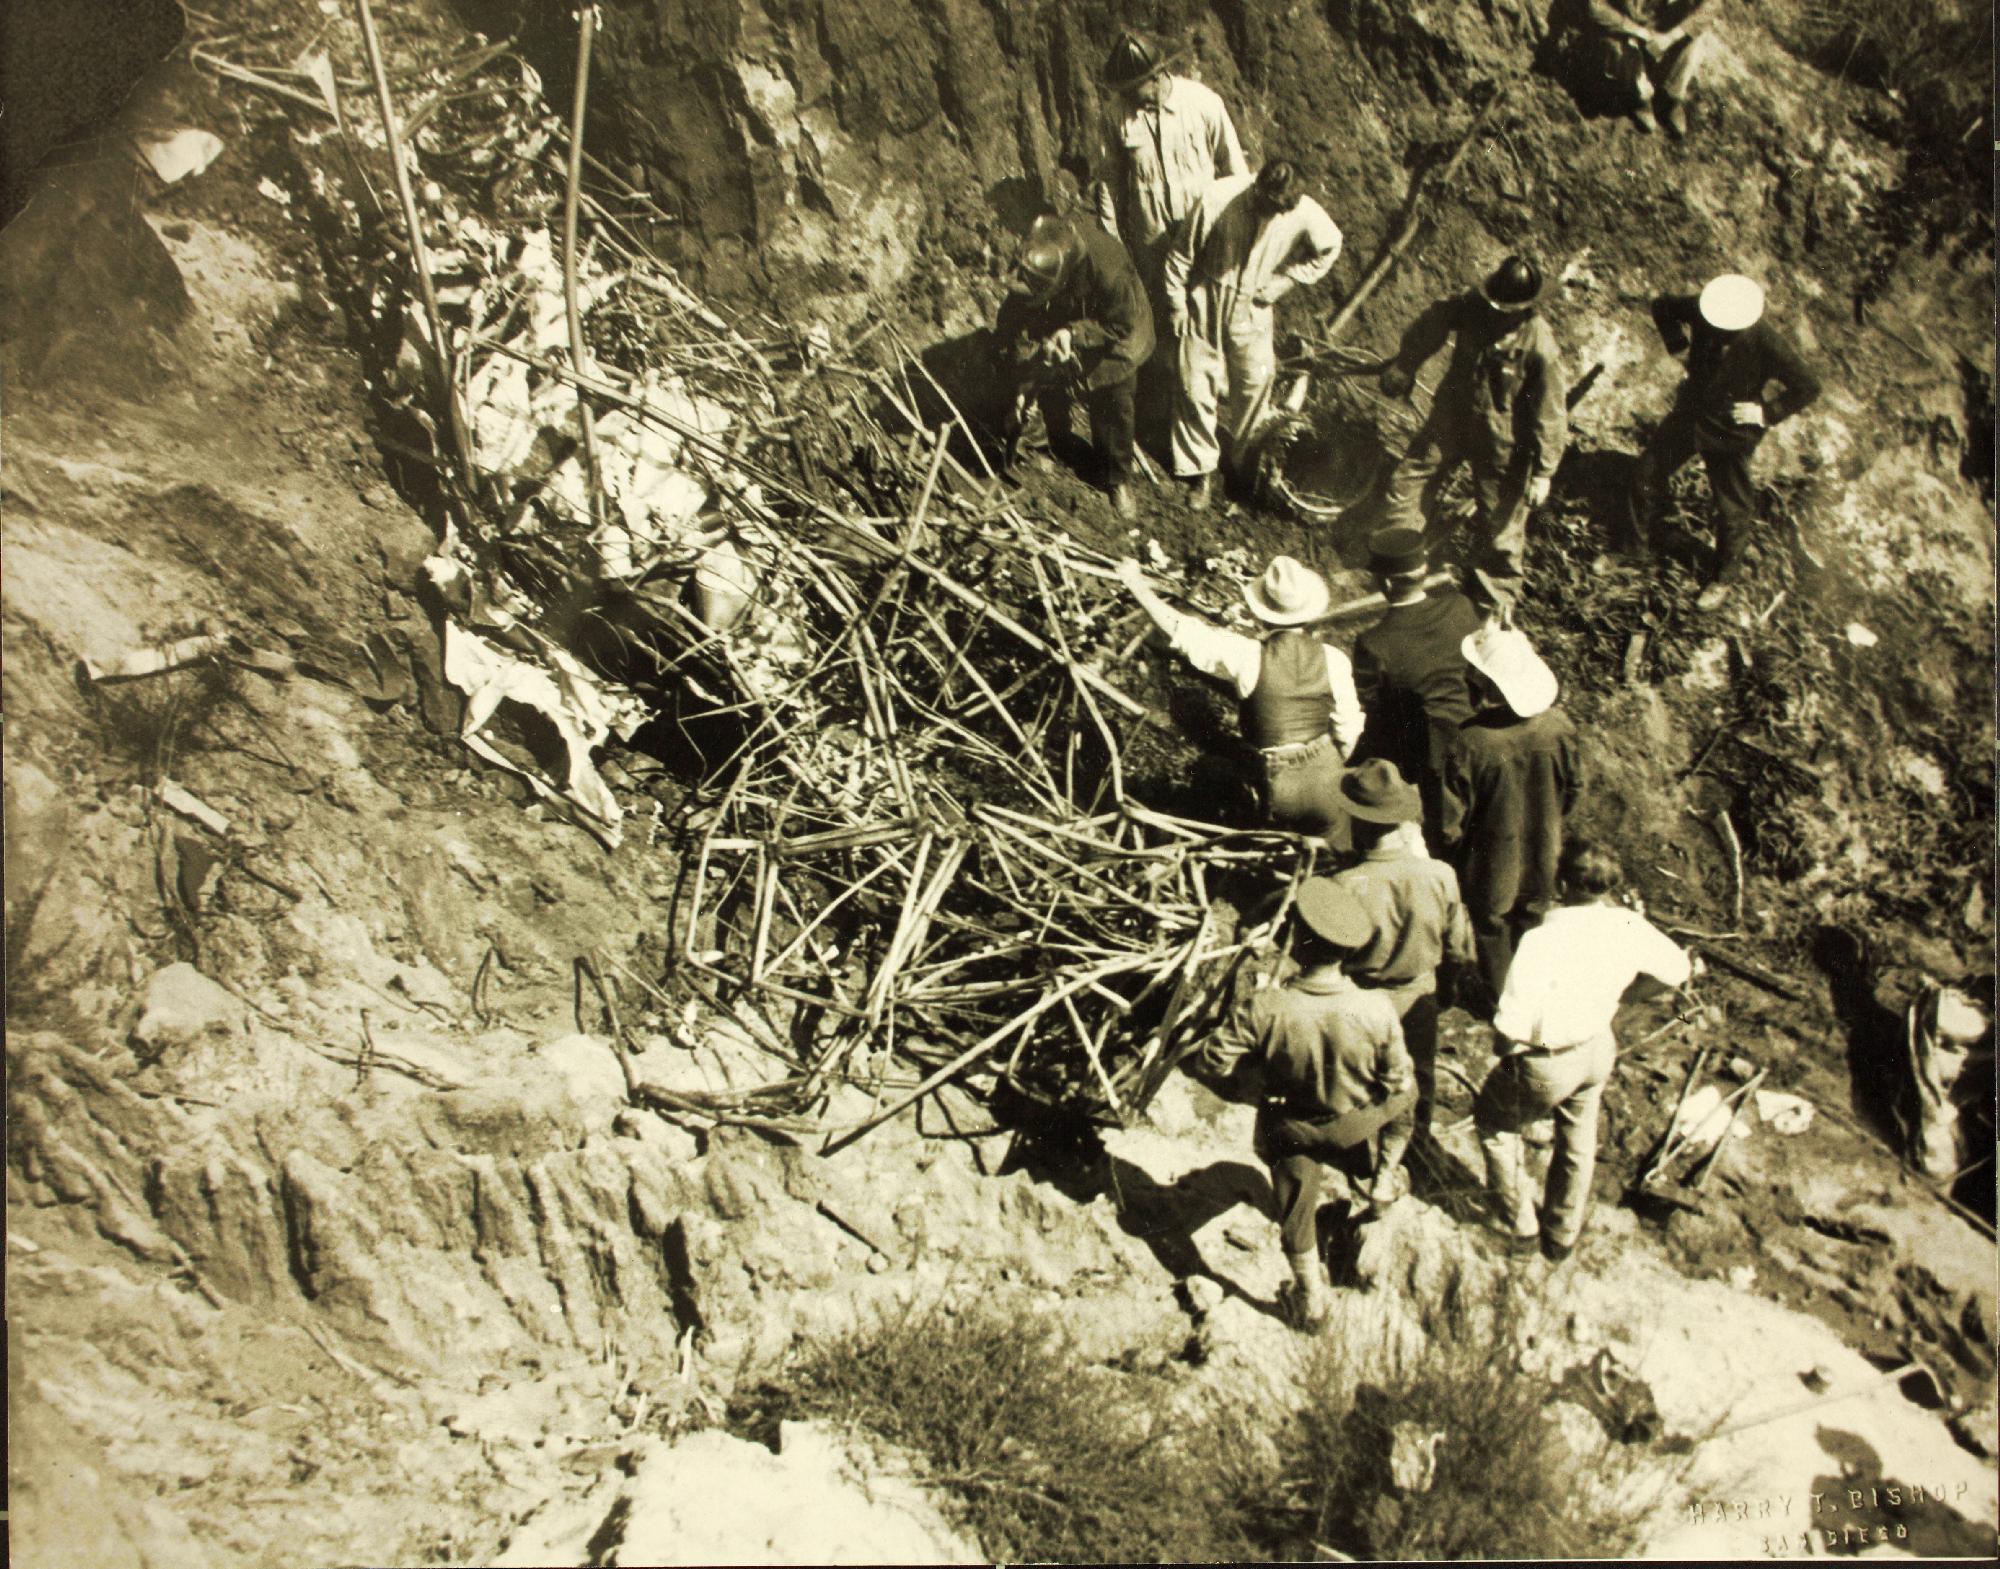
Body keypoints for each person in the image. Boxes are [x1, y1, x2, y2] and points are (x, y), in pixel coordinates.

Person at [1197, 877, 1415, 1329]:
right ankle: (1382, 1180)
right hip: (1354, 1124)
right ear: (1347, 952)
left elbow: (1213, 1063)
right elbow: (1396, 1081)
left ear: (1297, 939)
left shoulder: (1266, 1007)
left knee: (1297, 1202)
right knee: (1406, 1093)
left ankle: (1310, 1299)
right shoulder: (1376, 1008)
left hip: (1291, 1126)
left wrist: (1258, 1078)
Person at [1473, 838, 1694, 1261]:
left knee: (1495, 1126)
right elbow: (1676, 969)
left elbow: (1509, 1029)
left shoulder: (1541, 940)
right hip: (1597, 1049)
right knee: (1577, 1141)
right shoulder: (1627, 923)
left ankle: (1517, 1226)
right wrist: (1628, 996)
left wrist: (1505, 1054)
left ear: (1562, 882)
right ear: (1608, 885)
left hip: (1548, 1060)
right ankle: (1561, 1234)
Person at [1604, 272, 1823, 611]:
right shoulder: (1703, 309)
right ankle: (1630, 551)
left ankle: (1723, 579)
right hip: (1691, 413)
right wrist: (1677, 344)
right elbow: (1662, 307)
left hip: (1729, 429)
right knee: (1646, 472)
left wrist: (1765, 412)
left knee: (1732, 507)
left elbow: (1808, 386)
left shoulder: (1765, 340)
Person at [1117, 553, 1364, 846]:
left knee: (1211, 773)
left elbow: (1183, 632)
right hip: (1329, 778)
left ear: (1260, 613)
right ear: (1310, 614)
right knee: (1335, 848)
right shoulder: (1334, 659)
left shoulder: (1247, 656)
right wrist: (1335, 768)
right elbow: (1349, 728)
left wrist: (1137, 586)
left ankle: (1227, 848)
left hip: (1280, 784)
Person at [1377, 255, 1568, 604]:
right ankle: (1398, 566)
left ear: (1525, 307)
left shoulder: (1540, 345)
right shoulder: (1472, 307)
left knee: (1501, 525)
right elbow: (1434, 321)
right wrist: (1406, 363)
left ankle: (1493, 604)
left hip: (1504, 440)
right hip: (1453, 413)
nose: (1501, 314)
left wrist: (1544, 472)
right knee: (1411, 480)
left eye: (1510, 309)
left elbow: (1550, 412)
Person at [1164, 160, 1342, 510]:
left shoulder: (1302, 210)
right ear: (1257, 188)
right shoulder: (1218, 198)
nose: (1273, 214)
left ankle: (1241, 465)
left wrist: (1286, 280)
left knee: (1255, 382)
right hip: (1209, 293)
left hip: (1255, 304)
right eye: (1268, 205)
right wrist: (1177, 305)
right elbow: (1180, 256)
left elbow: (1330, 245)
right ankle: (1201, 471)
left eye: (1281, 210)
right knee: (1196, 380)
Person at [1331, 759, 1476, 1147]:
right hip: (1417, 990)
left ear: (1357, 819)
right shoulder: (1441, 875)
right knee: (1418, 1073)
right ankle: (1415, 1145)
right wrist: (1447, 989)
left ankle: (1358, 1144)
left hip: (1362, 995)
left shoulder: (1345, 884)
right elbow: (1458, 948)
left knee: (1360, 1073)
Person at [1443, 617, 1581, 1009]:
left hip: (1492, 854)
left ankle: (1503, 1000)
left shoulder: (1471, 741)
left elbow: (1453, 818)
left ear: (1490, 684)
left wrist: (1454, 851)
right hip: (1544, 846)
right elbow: (1573, 790)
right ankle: (1532, 993)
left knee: (1491, 923)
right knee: (1534, 917)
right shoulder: (1559, 727)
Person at [994, 212, 1155, 519]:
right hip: (1067, 313)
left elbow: (1122, 325)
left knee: (1113, 397)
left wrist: (1073, 334)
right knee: (1039, 369)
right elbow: (1013, 321)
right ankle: (1046, 443)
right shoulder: (1036, 254)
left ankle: (1116, 477)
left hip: (1119, 330)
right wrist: (1019, 380)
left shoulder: (1109, 268)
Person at [1348, 528, 1483, 850]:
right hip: (1473, 734)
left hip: (1424, 754)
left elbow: (1371, 707)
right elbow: (1478, 672)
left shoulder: (1373, 644)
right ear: (1424, 572)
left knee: (1441, 834)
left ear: (1387, 583)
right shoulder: (1461, 607)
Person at [1094, 32, 1247, 305]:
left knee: (1212, 309)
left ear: (1157, 76)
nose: (1126, 95)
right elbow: (1109, 184)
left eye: (1132, 87)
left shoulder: (1203, 103)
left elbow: (1235, 172)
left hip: (1205, 235)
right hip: (1153, 245)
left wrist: (1239, 233)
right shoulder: (1115, 116)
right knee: (1165, 317)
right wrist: (1113, 244)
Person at [1547, 0, 1719, 137]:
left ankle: (1669, 98)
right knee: (1614, 45)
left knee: (1695, 39)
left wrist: (1672, 36)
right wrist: (1637, 31)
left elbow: (1713, 4)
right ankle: (1640, 98)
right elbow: (1595, 7)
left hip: (1662, 28)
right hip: (1626, 29)